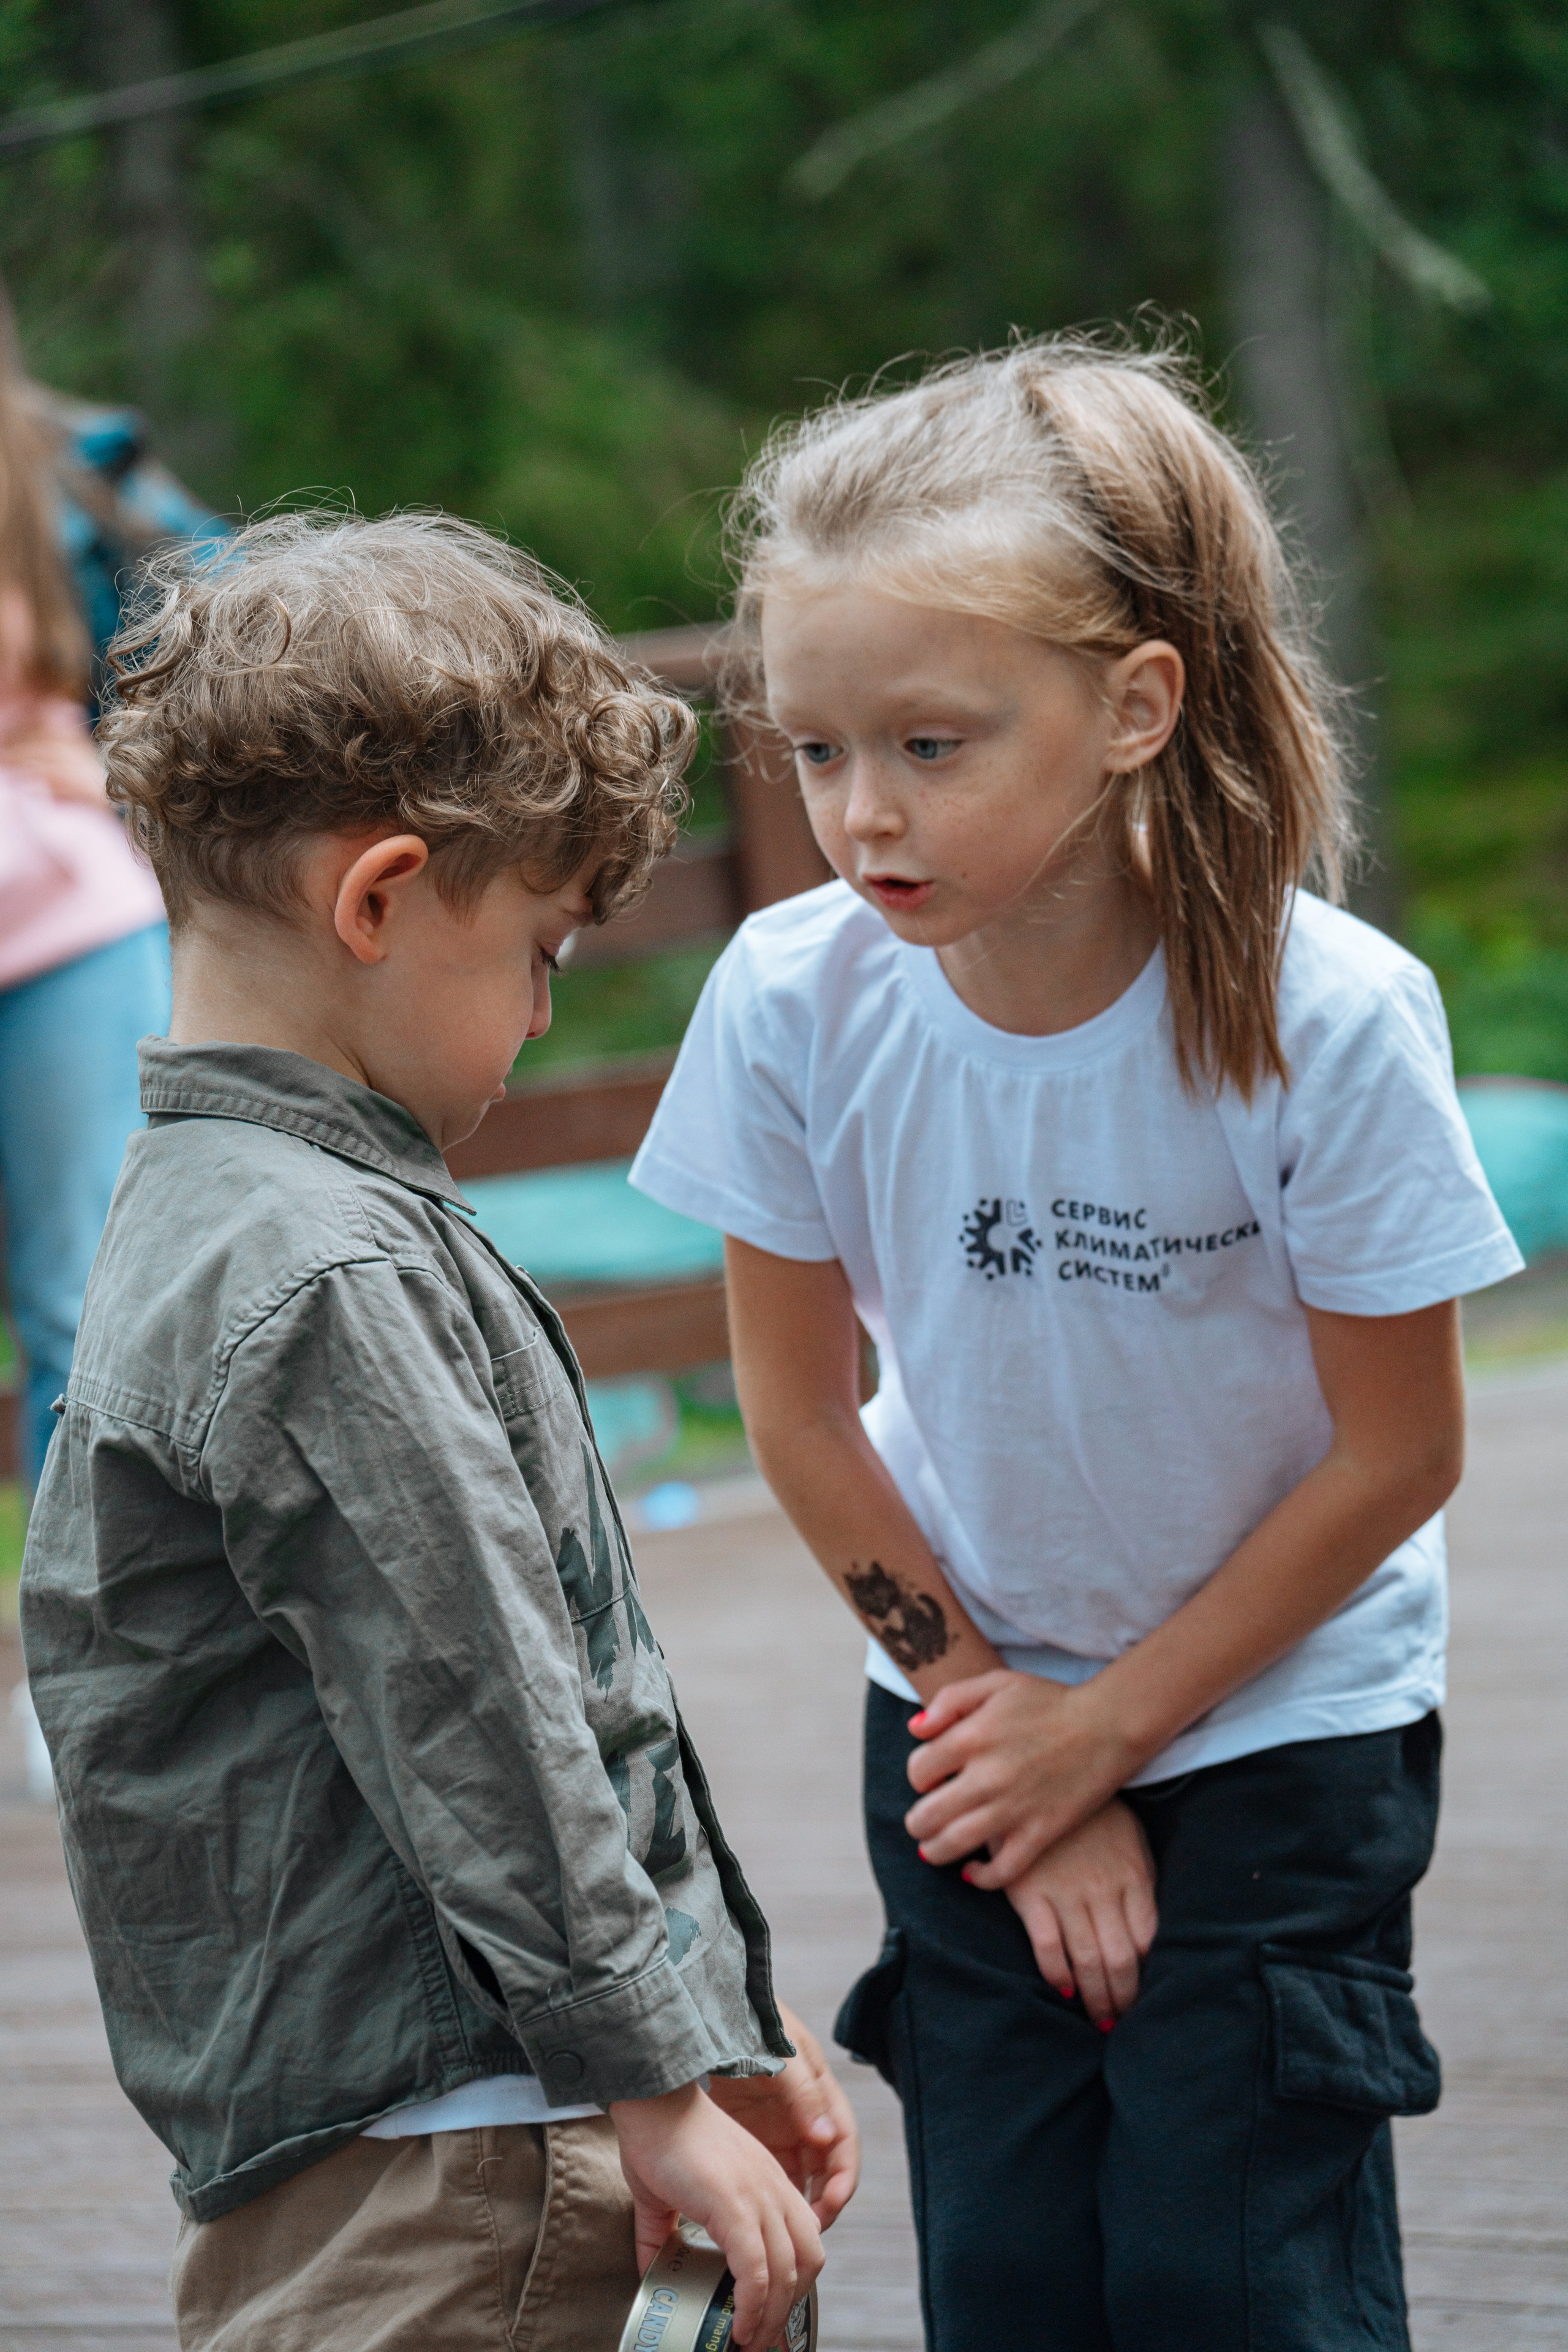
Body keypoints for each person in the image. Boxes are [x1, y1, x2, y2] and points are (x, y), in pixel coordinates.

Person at [628, 336, 1522, 2351]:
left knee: (1231, 2275)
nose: (864, 814)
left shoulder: (1326, 1019)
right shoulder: (790, 1002)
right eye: (817, 750)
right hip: (959, 1703)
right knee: (1017, 2274)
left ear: (1135, 706)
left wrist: (1108, 1735)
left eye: (933, 745)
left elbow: (1401, 1457)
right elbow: (801, 1417)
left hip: (1283, 1723)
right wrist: (1007, 1735)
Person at [20, 511, 857, 2352]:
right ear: (382, 897)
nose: (544, 1012)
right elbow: (477, 1705)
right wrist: (648, 2076)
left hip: (431, 2133)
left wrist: (712, 2020)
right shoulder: (320, 1273)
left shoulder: (212, 1213)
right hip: (467, 2166)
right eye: (542, 950)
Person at [0, 300, 192, 1488]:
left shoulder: (72, 463)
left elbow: (253, 628)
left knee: (89, 1301)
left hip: (71, 925)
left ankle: (100, 1602)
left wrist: (129, 770)